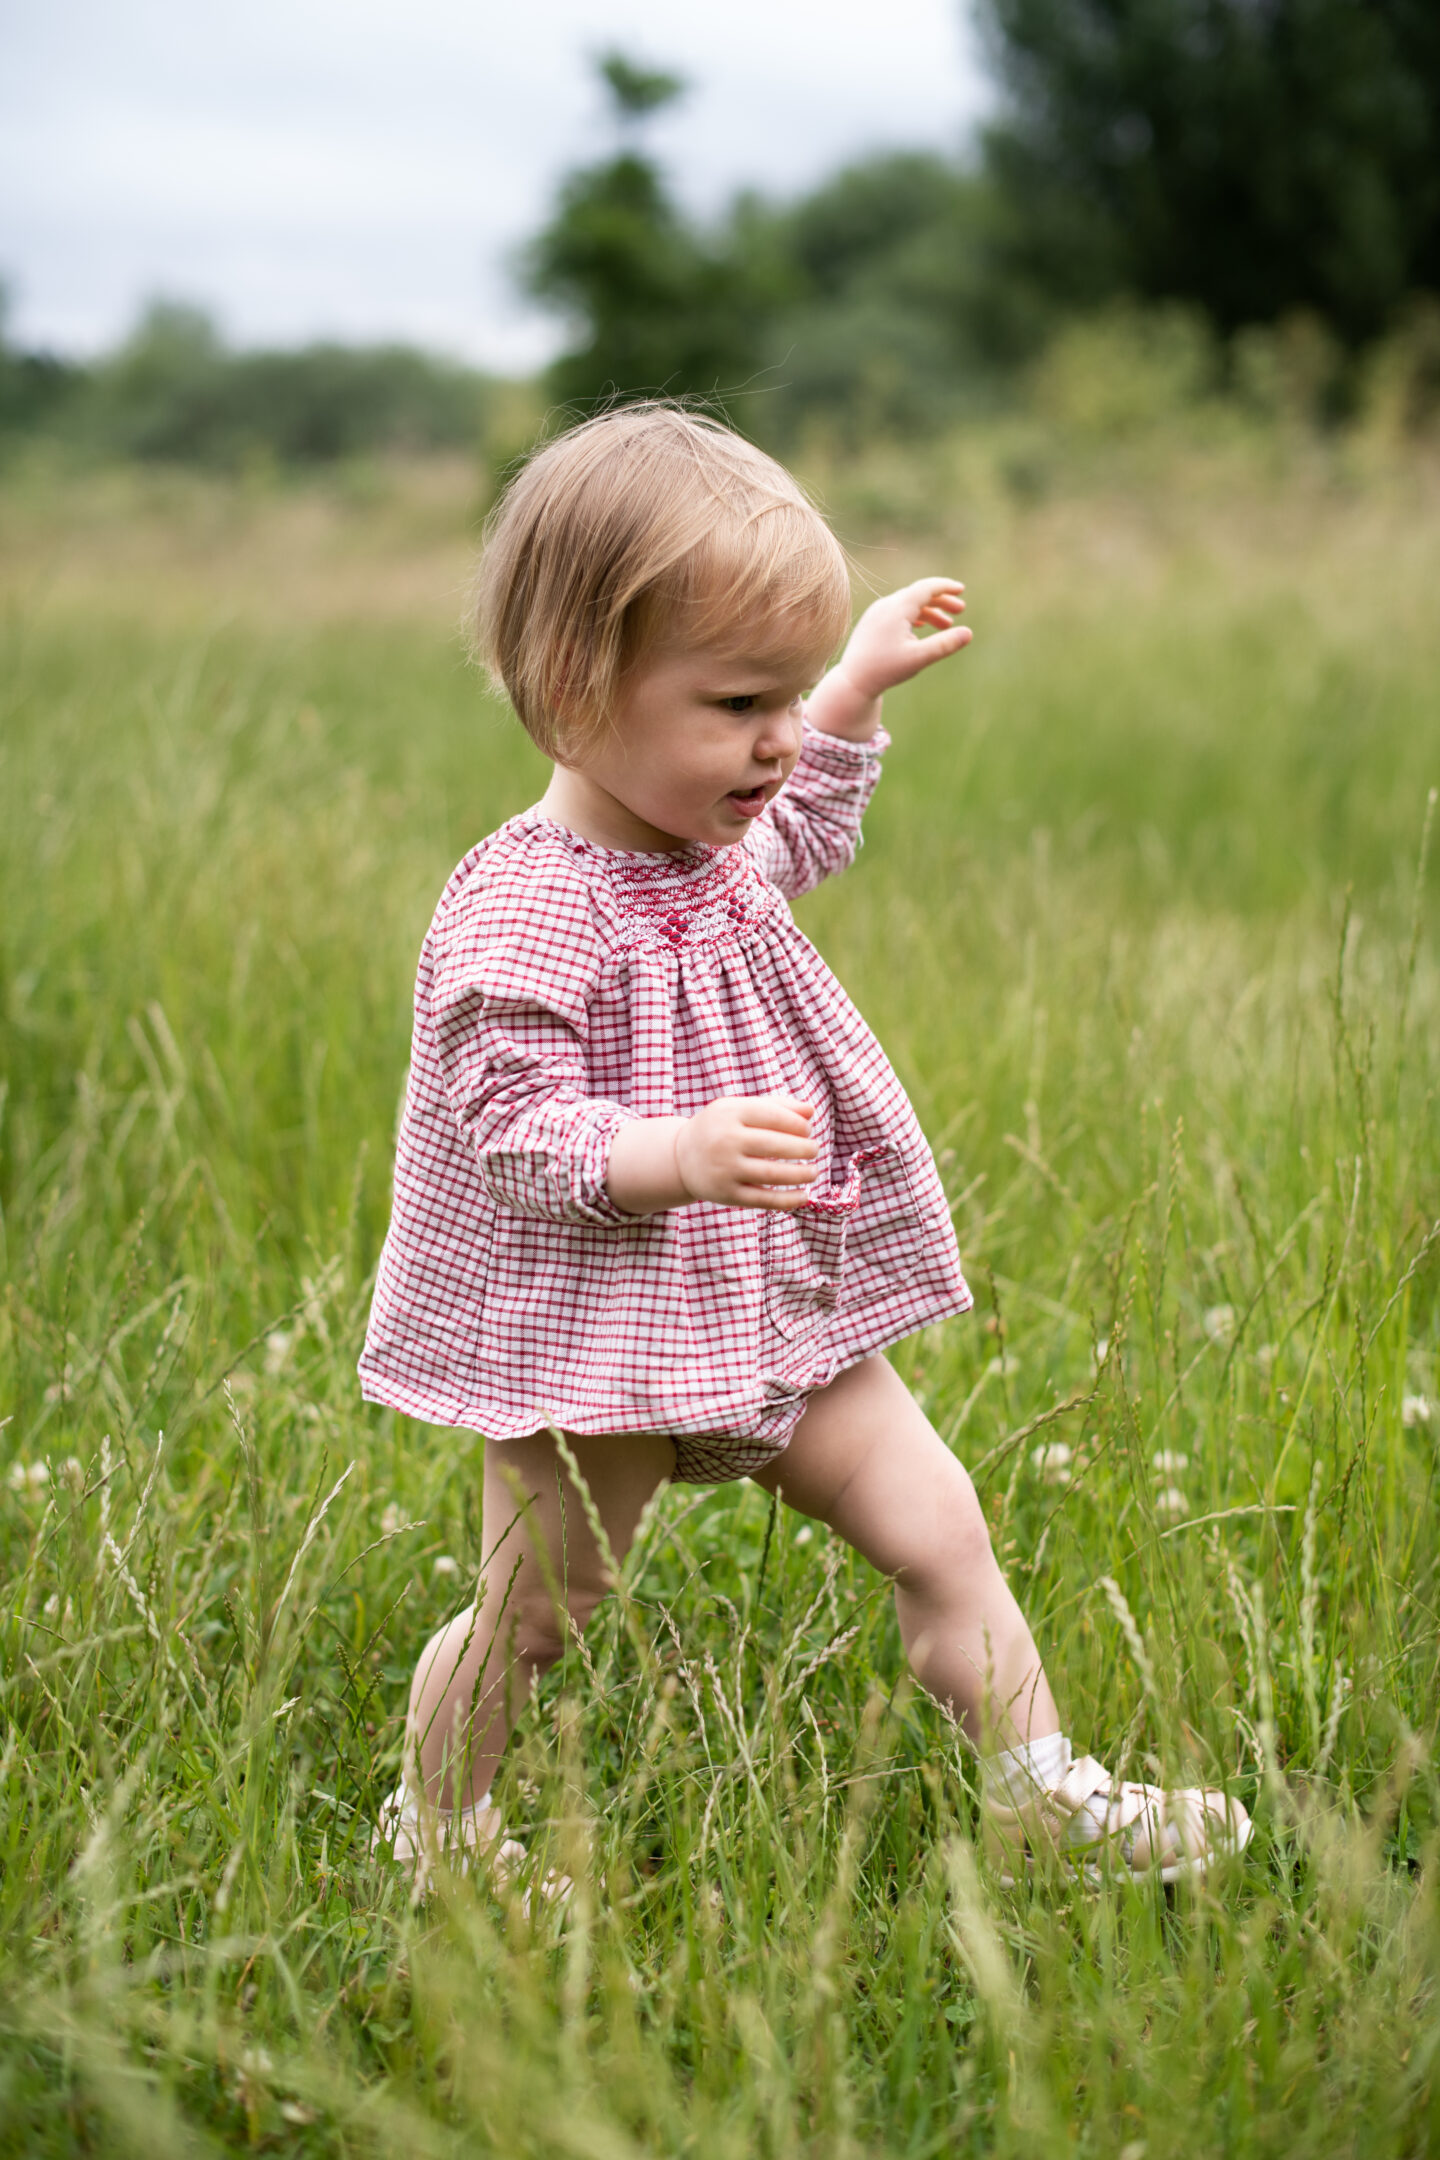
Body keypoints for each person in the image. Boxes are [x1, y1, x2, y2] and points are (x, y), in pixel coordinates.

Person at [359, 403, 1251, 1888]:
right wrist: (678, 1152)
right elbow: (512, 1126)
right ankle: (439, 1829)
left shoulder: (709, 837)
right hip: (594, 1335)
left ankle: (1038, 1794)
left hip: (772, 1299)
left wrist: (850, 690)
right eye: (734, 705)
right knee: (543, 1603)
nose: (771, 744)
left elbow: (800, 830)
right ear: (576, 688)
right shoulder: (523, 907)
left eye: (783, 698)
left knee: (939, 1524)